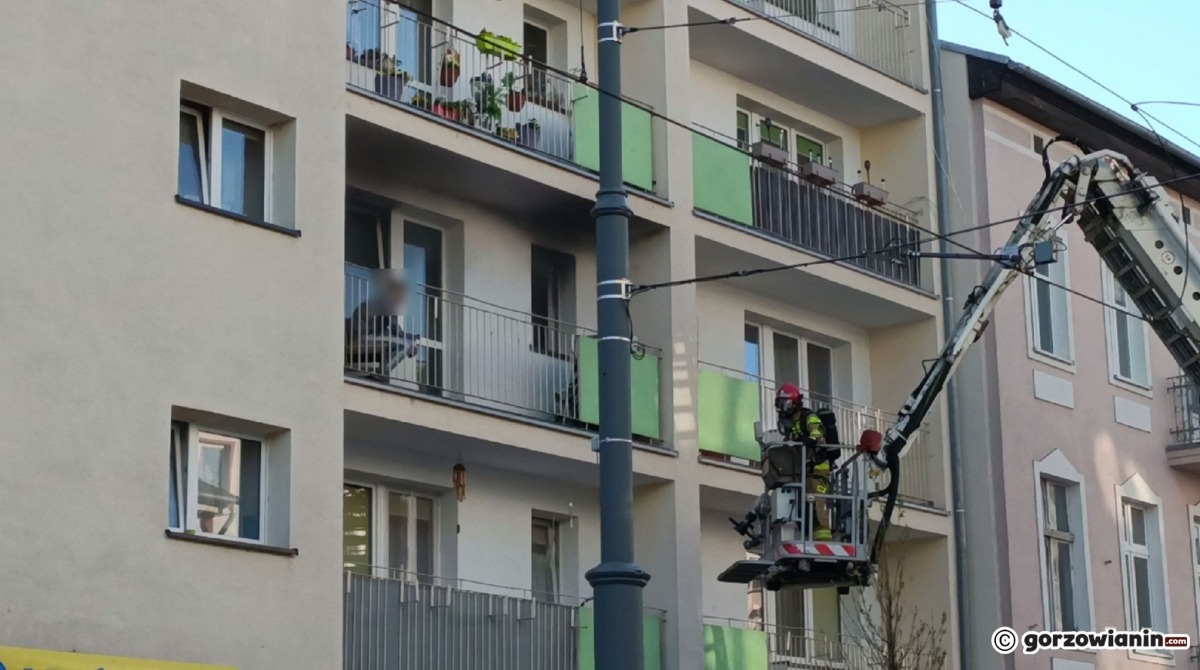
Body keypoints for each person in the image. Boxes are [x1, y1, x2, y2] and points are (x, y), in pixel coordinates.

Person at [774, 384, 837, 541]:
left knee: (816, 501)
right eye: (780, 405)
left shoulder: (808, 416)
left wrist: (811, 439)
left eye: (785, 404)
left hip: (817, 469)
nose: (782, 409)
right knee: (801, 506)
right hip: (803, 471)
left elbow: (817, 429)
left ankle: (823, 539)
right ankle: (807, 536)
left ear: (794, 403)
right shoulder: (788, 424)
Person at [347, 270, 420, 374]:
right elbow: (395, 330)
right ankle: (383, 372)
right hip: (363, 338)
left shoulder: (376, 302)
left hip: (360, 336)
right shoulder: (385, 302)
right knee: (406, 345)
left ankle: (380, 370)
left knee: (396, 341)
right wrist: (411, 339)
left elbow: (392, 331)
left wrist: (408, 336)